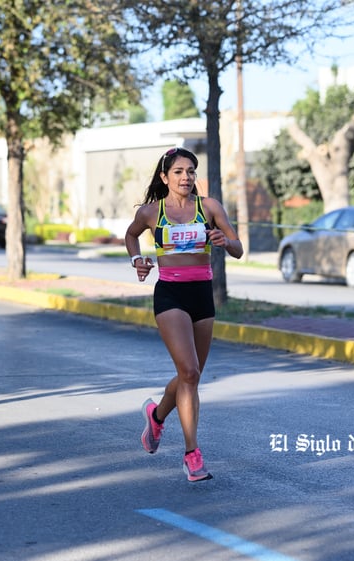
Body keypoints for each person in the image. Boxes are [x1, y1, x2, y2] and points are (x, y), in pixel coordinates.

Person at [124, 147, 243, 482]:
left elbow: (238, 248)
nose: (186, 177)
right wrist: (137, 261)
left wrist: (224, 241)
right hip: (170, 294)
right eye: (178, 171)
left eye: (191, 171)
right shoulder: (151, 212)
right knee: (189, 371)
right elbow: (131, 235)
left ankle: (157, 415)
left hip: (201, 295)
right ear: (165, 177)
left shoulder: (210, 208)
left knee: (191, 375)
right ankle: (192, 454)